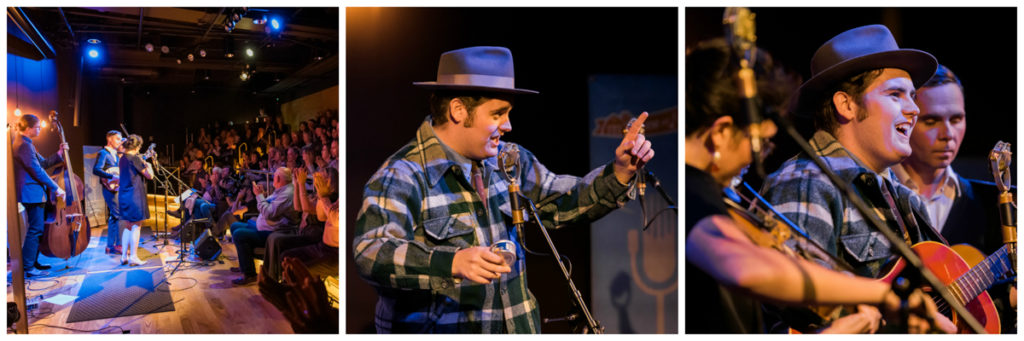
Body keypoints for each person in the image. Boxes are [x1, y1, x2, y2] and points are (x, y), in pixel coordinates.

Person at [353, 46, 653, 333]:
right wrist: (451, 262)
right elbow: (371, 251)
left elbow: (562, 202)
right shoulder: (404, 174)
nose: (508, 125)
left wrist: (621, 171)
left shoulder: (510, 160)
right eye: (497, 114)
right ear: (458, 110)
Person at [684, 38, 950, 334]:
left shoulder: (703, 192)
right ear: (720, 133)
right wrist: (883, 294)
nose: (758, 157)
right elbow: (751, 270)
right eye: (758, 143)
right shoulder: (694, 192)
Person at [761, 24, 945, 277]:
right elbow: (800, 295)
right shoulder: (808, 182)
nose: (914, 109)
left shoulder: (909, 202)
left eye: (912, 96)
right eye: (895, 94)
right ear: (846, 105)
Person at [892, 64, 1016, 333]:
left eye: (957, 119)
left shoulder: (998, 203)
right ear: (906, 119)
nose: (947, 133)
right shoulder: (877, 194)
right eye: (931, 120)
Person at [12, 114, 68, 277]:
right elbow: (37, 170)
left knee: (37, 228)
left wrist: (59, 153)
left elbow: (42, 164)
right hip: (32, 193)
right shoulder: (23, 145)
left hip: (34, 193)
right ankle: (27, 268)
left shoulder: (27, 144)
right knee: (35, 229)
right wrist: (56, 188)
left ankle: (32, 262)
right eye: (37, 127)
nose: (39, 130)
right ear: (28, 128)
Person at [229, 167, 298, 285]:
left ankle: (249, 274)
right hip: (264, 227)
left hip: (274, 232)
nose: (272, 179)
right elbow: (268, 206)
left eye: (274, 177)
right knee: (235, 226)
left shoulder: (287, 194)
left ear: (278, 178)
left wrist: (259, 196)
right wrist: (262, 195)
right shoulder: (282, 190)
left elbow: (268, 212)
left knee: (239, 234)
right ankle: (244, 265)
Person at [118, 134, 154, 266]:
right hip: (134, 196)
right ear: (138, 146)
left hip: (124, 195)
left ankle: (124, 256)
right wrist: (149, 164)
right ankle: (133, 256)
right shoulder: (135, 158)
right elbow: (150, 176)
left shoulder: (123, 158)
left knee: (128, 226)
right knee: (136, 226)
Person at [93, 130, 124, 255]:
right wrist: (112, 177)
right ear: (110, 139)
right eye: (117, 139)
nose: (120, 141)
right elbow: (96, 170)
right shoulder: (103, 153)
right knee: (118, 215)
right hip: (108, 188)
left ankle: (110, 245)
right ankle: (117, 245)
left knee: (114, 216)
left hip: (115, 188)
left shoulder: (116, 155)